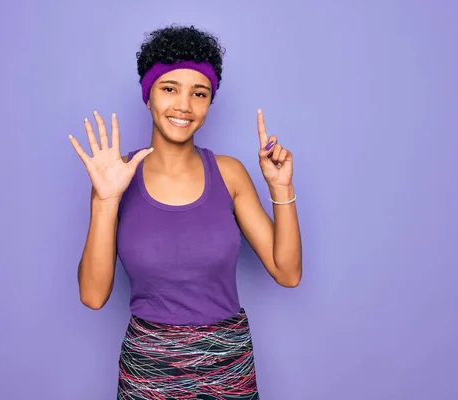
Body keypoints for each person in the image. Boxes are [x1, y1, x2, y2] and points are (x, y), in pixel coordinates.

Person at [69, 24, 302, 400]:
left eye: (199, 93)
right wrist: (105, 200)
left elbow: (287, 273)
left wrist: (281, 187)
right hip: (150, 368)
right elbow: (93, 297)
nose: (184, 105)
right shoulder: (116, 177)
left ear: (209, 103)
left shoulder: (229, 174)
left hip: (227, 365)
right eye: (169, 89)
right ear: (147, 97)